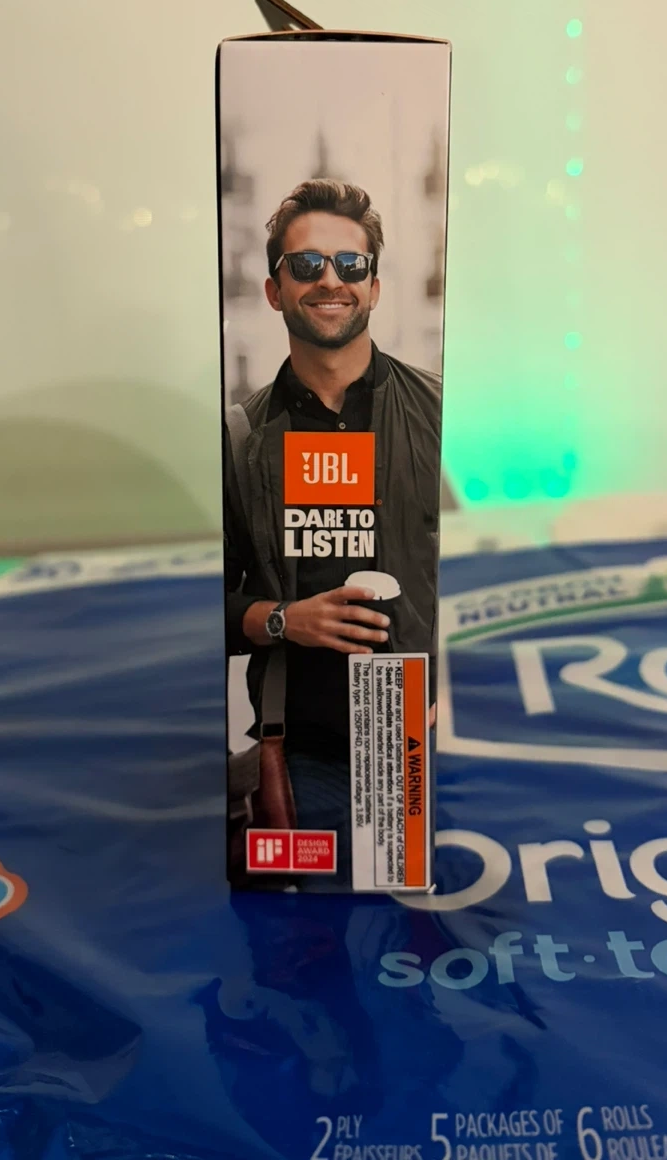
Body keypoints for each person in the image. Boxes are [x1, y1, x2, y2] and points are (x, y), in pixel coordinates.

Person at [224, 178, 442, 886]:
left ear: (374, 287)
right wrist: (284, 619)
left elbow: (488, 577)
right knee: (309, 938)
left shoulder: (440, 416)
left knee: (424, 939)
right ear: (274, 290)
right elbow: (198, 606)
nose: (330, 280)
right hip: (305, 758)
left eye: (350, 264)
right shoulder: (241, 440)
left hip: (428, 749)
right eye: (306, 264)